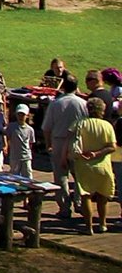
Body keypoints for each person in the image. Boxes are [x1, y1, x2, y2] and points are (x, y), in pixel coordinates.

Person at [73, 97, 119, 234]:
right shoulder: (107, 126)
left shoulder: (80, 124)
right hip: (103, 165)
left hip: (84, 164)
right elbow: (112, 147)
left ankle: (89, 227)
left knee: (86, 195)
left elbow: (73, 142)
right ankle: (102, 224)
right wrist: (98, 153)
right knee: (103, 196)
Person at [46, 75, 89, 217]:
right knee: (79, 175)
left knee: (60, 176)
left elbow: (47, 127)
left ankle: (64, 207)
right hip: (77, 141)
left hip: (59, 140)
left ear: (63, 87)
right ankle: (79, 202)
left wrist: (48, 144)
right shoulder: (83, 103)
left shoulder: (56, 103)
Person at [8, 103, 36, 178]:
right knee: (14, 176)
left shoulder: (30, 129)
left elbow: (31, 143)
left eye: (23, 115)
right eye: (19, 114)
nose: (20, 117)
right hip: (15, 156)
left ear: (27, 116)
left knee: (28, 175)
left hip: (26, 156)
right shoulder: (11, 126)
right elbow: (7, 137)